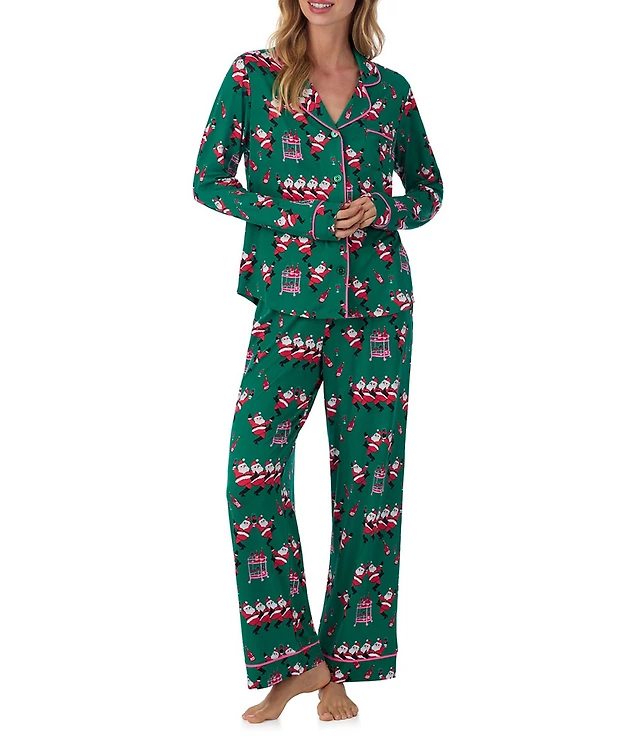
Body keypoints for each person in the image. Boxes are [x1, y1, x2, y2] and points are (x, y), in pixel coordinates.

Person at [192, 0, 443, 724]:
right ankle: (297, 661)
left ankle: (343, 667)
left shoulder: (390, 92)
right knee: (252, 469)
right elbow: (209, 179)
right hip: (288, 300)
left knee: (370, 487)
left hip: (378, 307)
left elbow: (429, 190)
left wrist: (381, 210)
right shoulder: (253, 77)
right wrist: (296, 216)